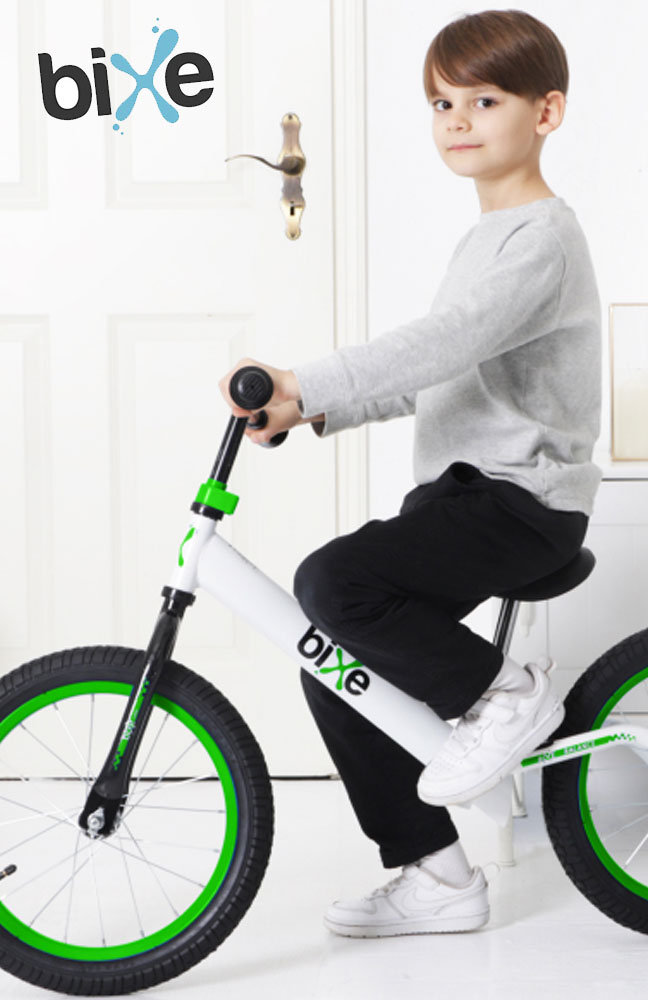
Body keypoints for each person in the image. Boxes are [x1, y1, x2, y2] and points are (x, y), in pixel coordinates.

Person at [219, 9, 601, 938]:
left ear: (547, 111)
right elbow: (444, 378)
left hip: (523, 502)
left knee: (329, 581)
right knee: (332, 659)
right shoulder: (487, 240)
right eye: (441, 102)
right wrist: (307, 408)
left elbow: (442, 343)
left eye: (485, 99)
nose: (458, 119)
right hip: (468, 496)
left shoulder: (541, 240)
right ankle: (436, 875)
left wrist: (308, 376)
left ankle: (508, 695)